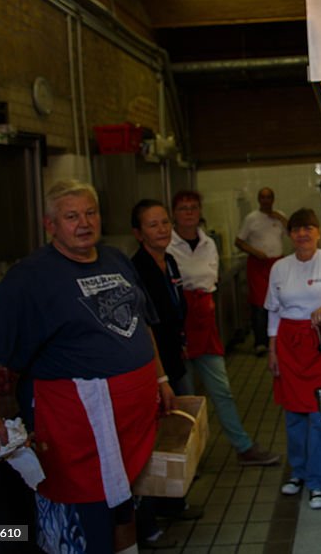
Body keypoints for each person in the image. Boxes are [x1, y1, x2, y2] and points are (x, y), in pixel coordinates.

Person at [0, 179, 174, 553]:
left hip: (131, 421)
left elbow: (140, 324)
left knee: (124, 508)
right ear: (51, 225)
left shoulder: (115, 258)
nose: (84, 223)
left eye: (90, 213)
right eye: (71, 216)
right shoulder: (29, 277)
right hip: (78, 424)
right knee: (85, 514)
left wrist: (160, 377)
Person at [167, 190, 280, 467]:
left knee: (223, 391)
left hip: (206, 327)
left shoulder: (207, 243)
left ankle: (243, 446)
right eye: (183, 208)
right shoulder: (167, 246)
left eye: (194, 207)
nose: (189, 213)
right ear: (175, 213)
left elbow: (208, 280)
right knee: (184, 398)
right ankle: (182, 458)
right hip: (179, 330)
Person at [130, 199, 204, 546]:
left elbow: (177, 308)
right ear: (138, 233)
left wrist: (183, 341)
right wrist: (159, 376)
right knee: (153, 437)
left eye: (164, 223)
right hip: (152, 363)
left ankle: (174, 501)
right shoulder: (136, 269)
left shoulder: (170, 260)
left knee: (176, 430)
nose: (161, 230)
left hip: (174, 354)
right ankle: (148, 520)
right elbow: (144, 324)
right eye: (152, 225)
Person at [264, 208, 321, 509]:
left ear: (318, 232)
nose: (303, 233)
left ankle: (318, 482)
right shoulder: (280, 267)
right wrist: (272, 350)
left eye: (309, 227)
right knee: (294, 415)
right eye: (296, 229)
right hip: (288, 346)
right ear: (290, 235)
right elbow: (273, 310)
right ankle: (299, 472)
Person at [234, 188, 288, 355]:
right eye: (262, 197)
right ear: (259, 200)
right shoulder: (251, 218)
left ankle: (280, 338)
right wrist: (255, 252)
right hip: (258, 265)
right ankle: (260, 342)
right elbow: (239, 241)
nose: (266, 200)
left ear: (273, 199)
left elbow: (293, 233)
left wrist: (281, 219)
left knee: (280, 301)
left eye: (268, 197)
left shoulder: (280, 216)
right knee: (259, 304)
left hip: (277, 264)